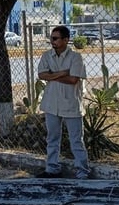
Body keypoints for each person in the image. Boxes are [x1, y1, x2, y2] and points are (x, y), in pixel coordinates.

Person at [36, 26, 90, 179]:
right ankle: (52, 168)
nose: (52, 41)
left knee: (76, 140)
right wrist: (62, 73)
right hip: (52, 104)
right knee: (52, 138)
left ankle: (82, 171)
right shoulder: (47, 55)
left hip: (71, 104)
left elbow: (73, 79)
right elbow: (41, 75)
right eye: (51, 38)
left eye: (55, 38)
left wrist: (52, 75)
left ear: (66, 40)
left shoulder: (76, 58)